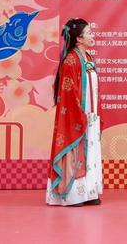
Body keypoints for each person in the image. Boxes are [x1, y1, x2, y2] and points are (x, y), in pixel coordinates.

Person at [46, 18, 103, 207]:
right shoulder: (71, 60)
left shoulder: (89, 58)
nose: (93, 36)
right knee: (75, 152)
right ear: (79, 38)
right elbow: (69, 93)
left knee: (90, 152)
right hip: (77, 115)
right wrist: (80, 114)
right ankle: (71, 195)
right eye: (89, 33)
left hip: (91, 114)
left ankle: (89, 192)